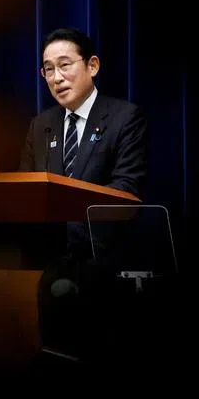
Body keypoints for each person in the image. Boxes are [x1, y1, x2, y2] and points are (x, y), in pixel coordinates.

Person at [18, 27, 148, 257]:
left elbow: (126, 189)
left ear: (93, 65)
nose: (57, 78)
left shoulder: (125, 117)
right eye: (49, 69)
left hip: (103, 254)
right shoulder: (40, 125)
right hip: (47, 258)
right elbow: (26, 189)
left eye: (65, 65)